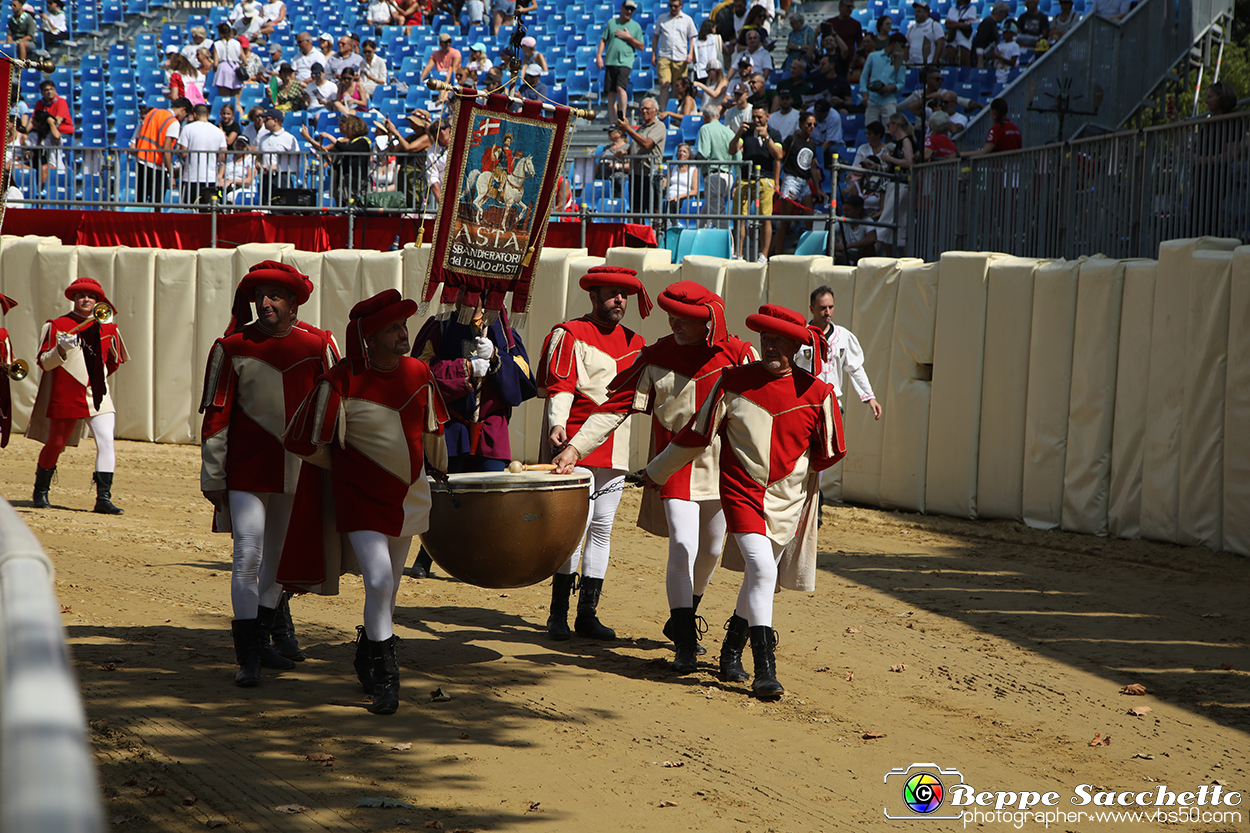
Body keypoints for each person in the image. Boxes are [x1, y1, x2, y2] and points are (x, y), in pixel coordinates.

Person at [552, 282, 756, 671]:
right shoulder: (657, 355)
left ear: (707, 323)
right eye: (671, 316)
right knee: (683, 545)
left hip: (721, 468)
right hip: (673, 467)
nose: (673, 323)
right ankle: (683, 637)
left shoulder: (741, 354)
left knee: (711, 549)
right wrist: (575, 447)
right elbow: (614, 407)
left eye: (685, 319)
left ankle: (683, 614)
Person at [645, 304, 845, 699]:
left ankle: (731, 647)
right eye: (765, 340)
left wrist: (793, 476)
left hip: (788, 498)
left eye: (780, 342)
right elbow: (695, 435)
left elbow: (831, 451)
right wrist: (655, 471)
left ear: (796, 346)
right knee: (761, 569)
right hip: (741, 492)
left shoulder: (818, 393)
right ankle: (764, 669)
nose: (770, 347)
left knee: (762, 573)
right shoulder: (732, 382)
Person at [282, 289, 448, 714]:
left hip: (410, 495)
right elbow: (302, 440)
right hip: (359, 499)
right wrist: (344, 467)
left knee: (389, 588)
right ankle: (389, 682)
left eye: (402, 325)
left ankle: (366, 654)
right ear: (369, 337)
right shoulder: (339, 380)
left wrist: (441, 473)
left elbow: (433, 433)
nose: (402, 333)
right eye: (392, 328)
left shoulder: (418, 373)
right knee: (377, 581)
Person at [199, 261, 340, 687]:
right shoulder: (231, 346)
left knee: (279, 561)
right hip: (247, 470)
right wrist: (213, 475)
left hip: (301, 471)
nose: (265, 303)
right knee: (248, 555)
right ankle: (248, 656)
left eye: (275, 296)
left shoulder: (320, 344)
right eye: (260, 295)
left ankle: (260, 641)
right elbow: (216, 415)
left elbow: (337, 409)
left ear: (294, 303)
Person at [537, 266, 651, 641]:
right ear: (594, 296)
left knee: (602, 527)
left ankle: (587, 613)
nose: (620, 300)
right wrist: (557, 423)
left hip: (615, 449)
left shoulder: (638, 342)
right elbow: (561, 386)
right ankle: (558, 614)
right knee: (574, 529)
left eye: (625, 295)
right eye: (613, 293)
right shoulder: (570, 333)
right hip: (574, 446)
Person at [407, 300, 536, 577]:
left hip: (490, 425)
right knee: (445, 492)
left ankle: (485, 556)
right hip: (452, 422)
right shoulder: (439, 326)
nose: (473, 298)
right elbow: (419, 372)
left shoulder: (505, 330)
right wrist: (464, 368)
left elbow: (525, 379)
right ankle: (427, 553)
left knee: (489, 498)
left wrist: (496, 359)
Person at [27, 277, 129, 514]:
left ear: (97, 301)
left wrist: (96, 377)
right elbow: (44, 363)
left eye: (91, 296)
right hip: (66, 392)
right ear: (74, 299)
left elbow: (113, 362)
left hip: (97, 393)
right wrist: (61, 349)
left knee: (106, 442)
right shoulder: (56, 325)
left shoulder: (108, 327)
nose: (86, 300)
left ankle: (103, 498)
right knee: (56, 443)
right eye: (81, 295)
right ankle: (40, 490)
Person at [796, 286, 881, 419]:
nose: (828, 312)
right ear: (812, 309)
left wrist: (870, 397)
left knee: (833, 440)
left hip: (832, 404)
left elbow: (856, 368)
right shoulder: (799, 337)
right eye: (823, 308)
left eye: (831, 307)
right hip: (804, 406)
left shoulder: (843, 337)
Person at [730, 105, 783, 261]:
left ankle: (764, 255)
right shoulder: (746, 133)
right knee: (739, 217)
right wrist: (738, 133)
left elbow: (778, 155)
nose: (756, 120)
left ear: (767, 117)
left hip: (765, 180)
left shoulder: (774, 133)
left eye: (759, 117)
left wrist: (767, 137)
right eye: (754, 117)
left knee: (765, 218)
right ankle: (738, 254)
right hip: (745, 179)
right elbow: (732, 150)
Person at [773, 111, 825, 255]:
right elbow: (779, 159)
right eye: (809, 124)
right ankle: (776, 254)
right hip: (791, 181)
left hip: (805, 183)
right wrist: (777, 183)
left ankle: (810, 253)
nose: (812, 127)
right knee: (786, 221)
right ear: (801, 124)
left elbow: (812, 167)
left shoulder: (813, 143)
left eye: (814, 124)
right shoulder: (792, 139)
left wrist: (818, 188)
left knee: (809, 220)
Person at [302, 114, 371, 205]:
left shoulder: (362, 142)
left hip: (356, 182)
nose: (345, 131)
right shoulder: (347, 142)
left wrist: (330, 137)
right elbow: (325, 149)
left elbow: (347, 150)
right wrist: (309, 139)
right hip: (343, 181)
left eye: (347, 129)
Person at [134, 98, 189, 207]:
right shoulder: (173, 122)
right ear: (183, 109)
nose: (184, 119)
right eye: (185, 115)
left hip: (142, 162)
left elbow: (138, 136)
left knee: (140, 203)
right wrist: (171, 174)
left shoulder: (152, 113)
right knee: (157, 205)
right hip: (157, 167)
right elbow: (166, 150)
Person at [597, 0, 645, 126]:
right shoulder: (612, 23)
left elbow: (641, 46)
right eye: (627, 8)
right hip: (611, 60)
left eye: (632, 10)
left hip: (625, 61)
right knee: (611, 91)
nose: (629, 12)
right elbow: (603, 40)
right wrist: (599, 56)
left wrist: (628, 37)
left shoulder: (636, 26)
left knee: (620, 87)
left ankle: (622, 118)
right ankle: (613, 122)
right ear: (622, 8)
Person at [618, 97, 667, 218]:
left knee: (654, 211)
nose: (644, 111)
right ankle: (638, 235)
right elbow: (634, 148)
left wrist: (628, 129)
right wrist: (623, 153)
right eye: (642, 108)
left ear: (655, 111)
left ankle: (656, 235)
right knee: (636, 210)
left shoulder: (659, 126)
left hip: (650, 175)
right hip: (636, 175)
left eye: (647, 109)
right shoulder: (641, 128)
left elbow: (646, 144)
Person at [695, 102, 740, 228]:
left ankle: (727, 244)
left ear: (704, 118)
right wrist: (738, 181)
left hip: (714, 176)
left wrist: (694, 158)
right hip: (728, 177)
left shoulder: (705, 128)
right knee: (707, 209)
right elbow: (738, 157)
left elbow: (704, 153)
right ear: (718, 116)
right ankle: (698, 235)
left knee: (718, 214)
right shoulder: (729, 131)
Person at [653, 0, 698, 116]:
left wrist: (690, 53)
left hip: (681, 56)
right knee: (664, 84)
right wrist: (653, 53)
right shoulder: (662, 18)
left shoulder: (687, 20)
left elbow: (692, 38)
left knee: (678, 87)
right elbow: (656, 36)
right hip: (664, 55)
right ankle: (663, 110)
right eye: (671, 6)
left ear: (681, 6)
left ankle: (673, 111)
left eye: (675, 6)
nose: (673, 8)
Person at [178, 103, 228, 207]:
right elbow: (223, 157)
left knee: (188, 210)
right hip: (210, 178)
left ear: (195, 115)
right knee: (208, 212)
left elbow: (183, 153)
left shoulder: (187, 128)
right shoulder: (218, 132)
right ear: (208, 115)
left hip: (191, 177)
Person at [860, 32, 907, 124]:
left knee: (891, 129)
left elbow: (901, 83)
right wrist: (865, 95)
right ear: (893, 44)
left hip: (888, 99)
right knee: (870, 129)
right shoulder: (873, 57)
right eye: (901, 46)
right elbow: (864, 77)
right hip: (872, 98)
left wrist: (890, 88)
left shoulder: (901, 62)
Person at [255, 108, 301, 202]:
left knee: (283, 205)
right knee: (266, 203)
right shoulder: (263, 138)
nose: (264, 122)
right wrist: (258, 163)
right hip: (265, 177)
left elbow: (296, 159)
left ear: (275, 121)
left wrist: (277, 167)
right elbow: (258, 156)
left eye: (267, 119)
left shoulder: (288, 138)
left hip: (282, 176)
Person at [832, 192, 877, 263]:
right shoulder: (842, 220)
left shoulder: (867, 220)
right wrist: (835, 243)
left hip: (860, 254)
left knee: (868, 248)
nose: (844, 213)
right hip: (844, 253)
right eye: (844, 210)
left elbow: (872, 238)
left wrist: (848, 246)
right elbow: (829, 233)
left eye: (847, 210)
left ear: (858, 210)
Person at [662, 142, 701, 217]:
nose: (681, 153)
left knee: (674, 203)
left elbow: (694, 191)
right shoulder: (673, 169)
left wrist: (679, 196)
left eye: (684, 151)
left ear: (689, 155)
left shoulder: (693, 170)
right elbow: (665, 183)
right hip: (670, 197)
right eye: (680, 151)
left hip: (683, 198)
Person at [906, 0, 945, 66]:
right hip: (912, 66)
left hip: (928, 65)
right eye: (915, 12)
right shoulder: (911, 28)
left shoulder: (934, 25)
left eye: (919, 11)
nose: (916, 14)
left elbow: (940, 44)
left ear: (927, 13)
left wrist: (934, 62)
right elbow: (906, 46)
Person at [972, 2, 1010, 69]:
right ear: (1001, 12)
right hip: (982, 59)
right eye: (1006, 14)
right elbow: (979, 41)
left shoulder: (993, 24)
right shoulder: (987, 23)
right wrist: (980, 61)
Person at [945, 0, 978, 67]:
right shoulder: (952, 9)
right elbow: (947, 25)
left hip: (964, 37)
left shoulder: (972, 8)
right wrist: (961, 23)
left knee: (965, 63)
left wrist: (953, 23)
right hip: (952, 37)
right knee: (951, 62)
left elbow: (967, 25)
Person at [990, 19, 1021, 84]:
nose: (1004, 34)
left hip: (1007, 73)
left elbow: (1013, 62)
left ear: (1012, 33)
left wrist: (1001, 57)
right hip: (997, 71)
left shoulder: (1014, 46)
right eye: (1003, 32)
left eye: (1006, 32)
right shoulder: (999, 45)